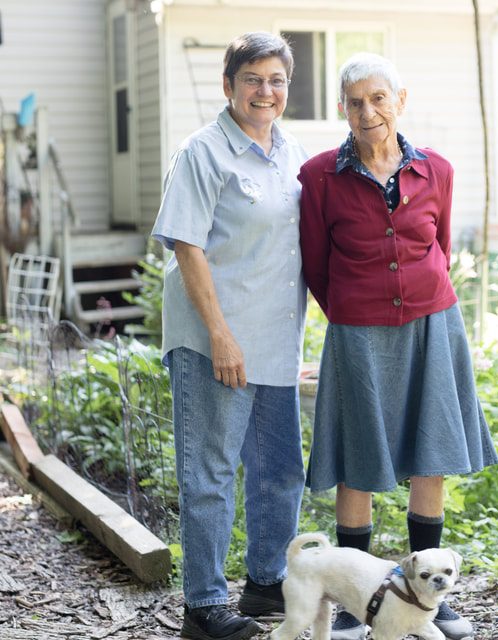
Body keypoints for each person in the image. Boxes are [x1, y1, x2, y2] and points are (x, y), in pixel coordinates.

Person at [298, 52, 498, 640]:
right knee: (356, 462)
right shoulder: (319, 177)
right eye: (356, 102)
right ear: (343, 109)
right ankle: (353, 602)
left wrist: (416, 301)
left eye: (378, 99)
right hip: (356, 332)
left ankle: (426, 600)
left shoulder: (436, 168)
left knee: (430, 453)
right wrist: (355, 315)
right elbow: (315, 264)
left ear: (399, 102)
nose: (368, 111)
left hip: (433, 325)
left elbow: (437, 243)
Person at [151, 32, 308, 640]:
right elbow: (186, 246)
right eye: (252, 79)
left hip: (275, 341)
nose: (265, 92)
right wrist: (220, 334)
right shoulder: (204, 152)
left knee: (278, 471)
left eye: (276, 81)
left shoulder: (290, 150)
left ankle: (266, 583)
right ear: (229, 86)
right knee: (211, 475)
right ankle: (205, 607)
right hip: (214, 341)